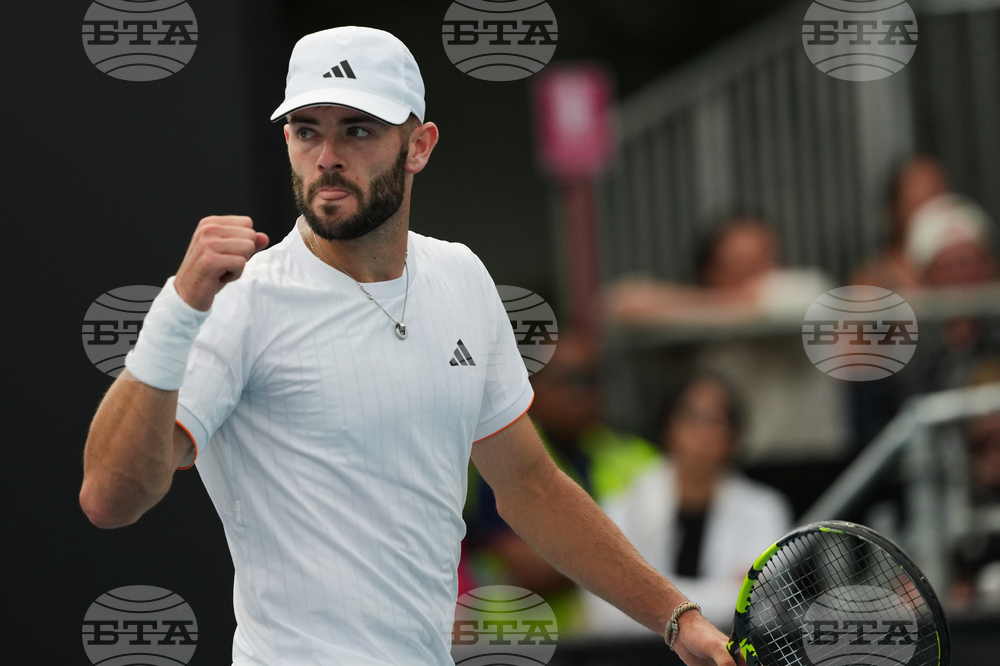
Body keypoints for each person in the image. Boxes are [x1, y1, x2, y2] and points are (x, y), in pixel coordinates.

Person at [78, 26, 740, 666]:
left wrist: (674, 616)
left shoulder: (461, 275)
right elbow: (110, 498)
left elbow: (531, 486)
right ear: (287, 141)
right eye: (307, 130)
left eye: (357, 130)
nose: (327, 155)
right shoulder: (237, 302)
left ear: (419, 145)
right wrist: (177, 309)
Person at [463, 330, 660, 634]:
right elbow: (528, 570)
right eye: (574, 380)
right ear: (532, 387)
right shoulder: (500, 455)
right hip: (526, 641)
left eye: (593, 379)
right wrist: (627, 554)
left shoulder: (632, 455)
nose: (589, 392)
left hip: (621, 637)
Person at [583, 373, 793, 632]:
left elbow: (763, 608)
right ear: (667, 427)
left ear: (733, 434)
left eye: (716, 420)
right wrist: (726, 594)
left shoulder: (765, 510)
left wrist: (643, 596)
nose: (703, 432)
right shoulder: (623, 506)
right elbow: (604, 608)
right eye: (692, 417)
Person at [850, 154, 950, 290]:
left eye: (936, 199)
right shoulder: (871, 283)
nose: (929, 213)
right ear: (894, 209)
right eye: (917, 203)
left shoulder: (966, 268)